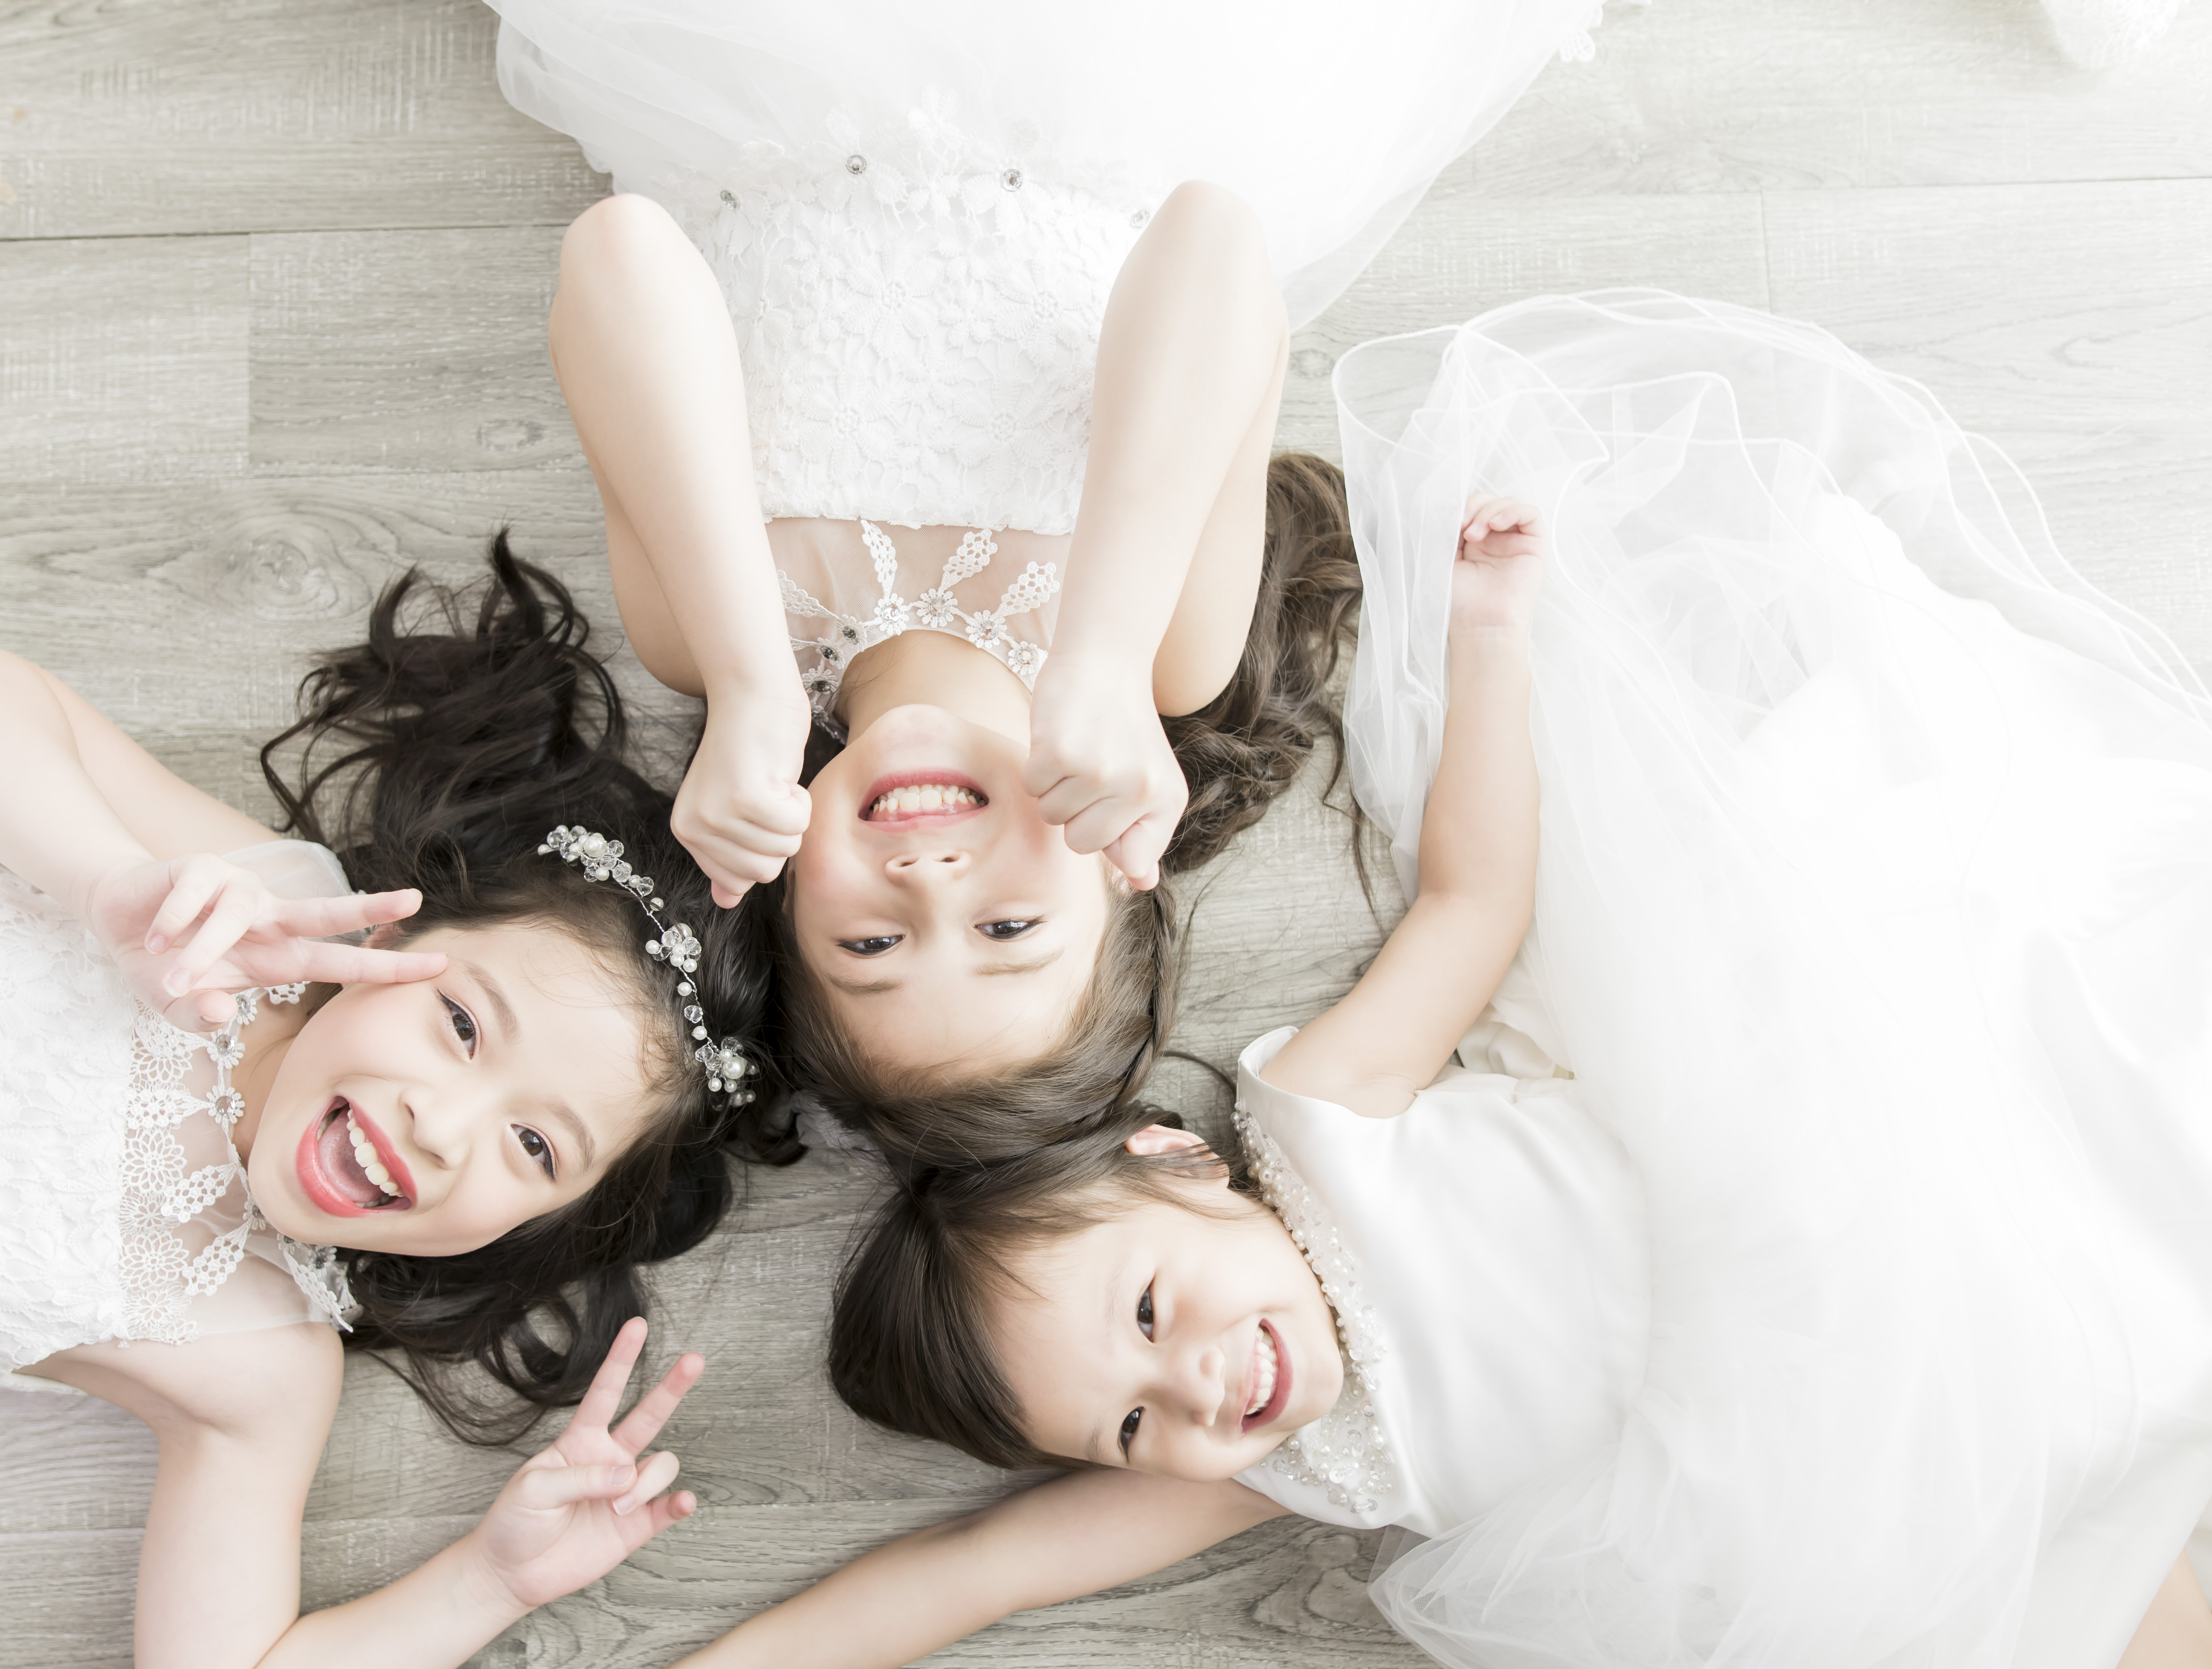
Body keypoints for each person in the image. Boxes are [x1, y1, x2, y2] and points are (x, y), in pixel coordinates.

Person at [526, 294, 2212, 1669]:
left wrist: (1489, 648)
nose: (1198, 1391)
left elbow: (1476, 897)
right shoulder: (1287, 1464)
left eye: (1154, 1316)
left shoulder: (1323, 1120)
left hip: (1890, 1289)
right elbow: (979, 1569)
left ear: (1177, 1166)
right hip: (1881, 1532)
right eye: (1132, 1424)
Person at [0, 0, 779, 1669]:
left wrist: (491, 1574)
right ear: (400, 941)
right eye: (466, 1026)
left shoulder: (254, 1362)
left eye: (534, 1155)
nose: (444, 1126)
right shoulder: (258, 910)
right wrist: (111, 881)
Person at [491, 0, 1604, 1151]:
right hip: (1110, 68)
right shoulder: (1169, 654)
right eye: (1008, 925)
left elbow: (619, 252)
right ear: (1124, 875)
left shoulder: (713, 640)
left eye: (869, 948)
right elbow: (1214, 242)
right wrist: (1105, 657)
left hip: (774, 70)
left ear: (778, 896)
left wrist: (752, 687)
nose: (928, 881)